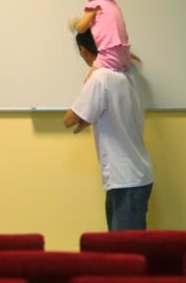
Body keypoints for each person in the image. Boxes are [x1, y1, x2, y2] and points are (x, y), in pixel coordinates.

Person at [63, 30, 153, 231]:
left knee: (125, 256)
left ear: (84, 51)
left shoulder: (101, 78)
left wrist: (91, 77)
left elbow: (69, 120)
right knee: (122, 252)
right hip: (132, 177)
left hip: (125, 181)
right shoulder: (126, 72)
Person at [69, 0, 133, 83]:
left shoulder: (95, 5)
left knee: (89, 82)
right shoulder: (114, 5)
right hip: (125, 55)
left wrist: (75, 25)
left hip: (109, 55)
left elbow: (81, 28)